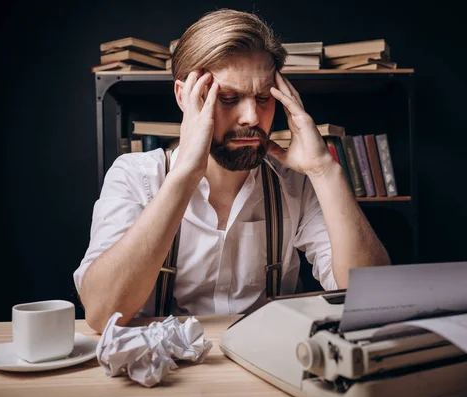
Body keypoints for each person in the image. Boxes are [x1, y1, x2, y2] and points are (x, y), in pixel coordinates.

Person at [74, 8, 390, 333]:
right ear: (185, 97)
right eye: (228, 98)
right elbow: (101, 314)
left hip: (265, 367)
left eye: (264, 97)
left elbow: (373, 300)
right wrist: (184, 175)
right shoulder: (134, 175)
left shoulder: (294, 184)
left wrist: (325, 170)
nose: (252, 117)